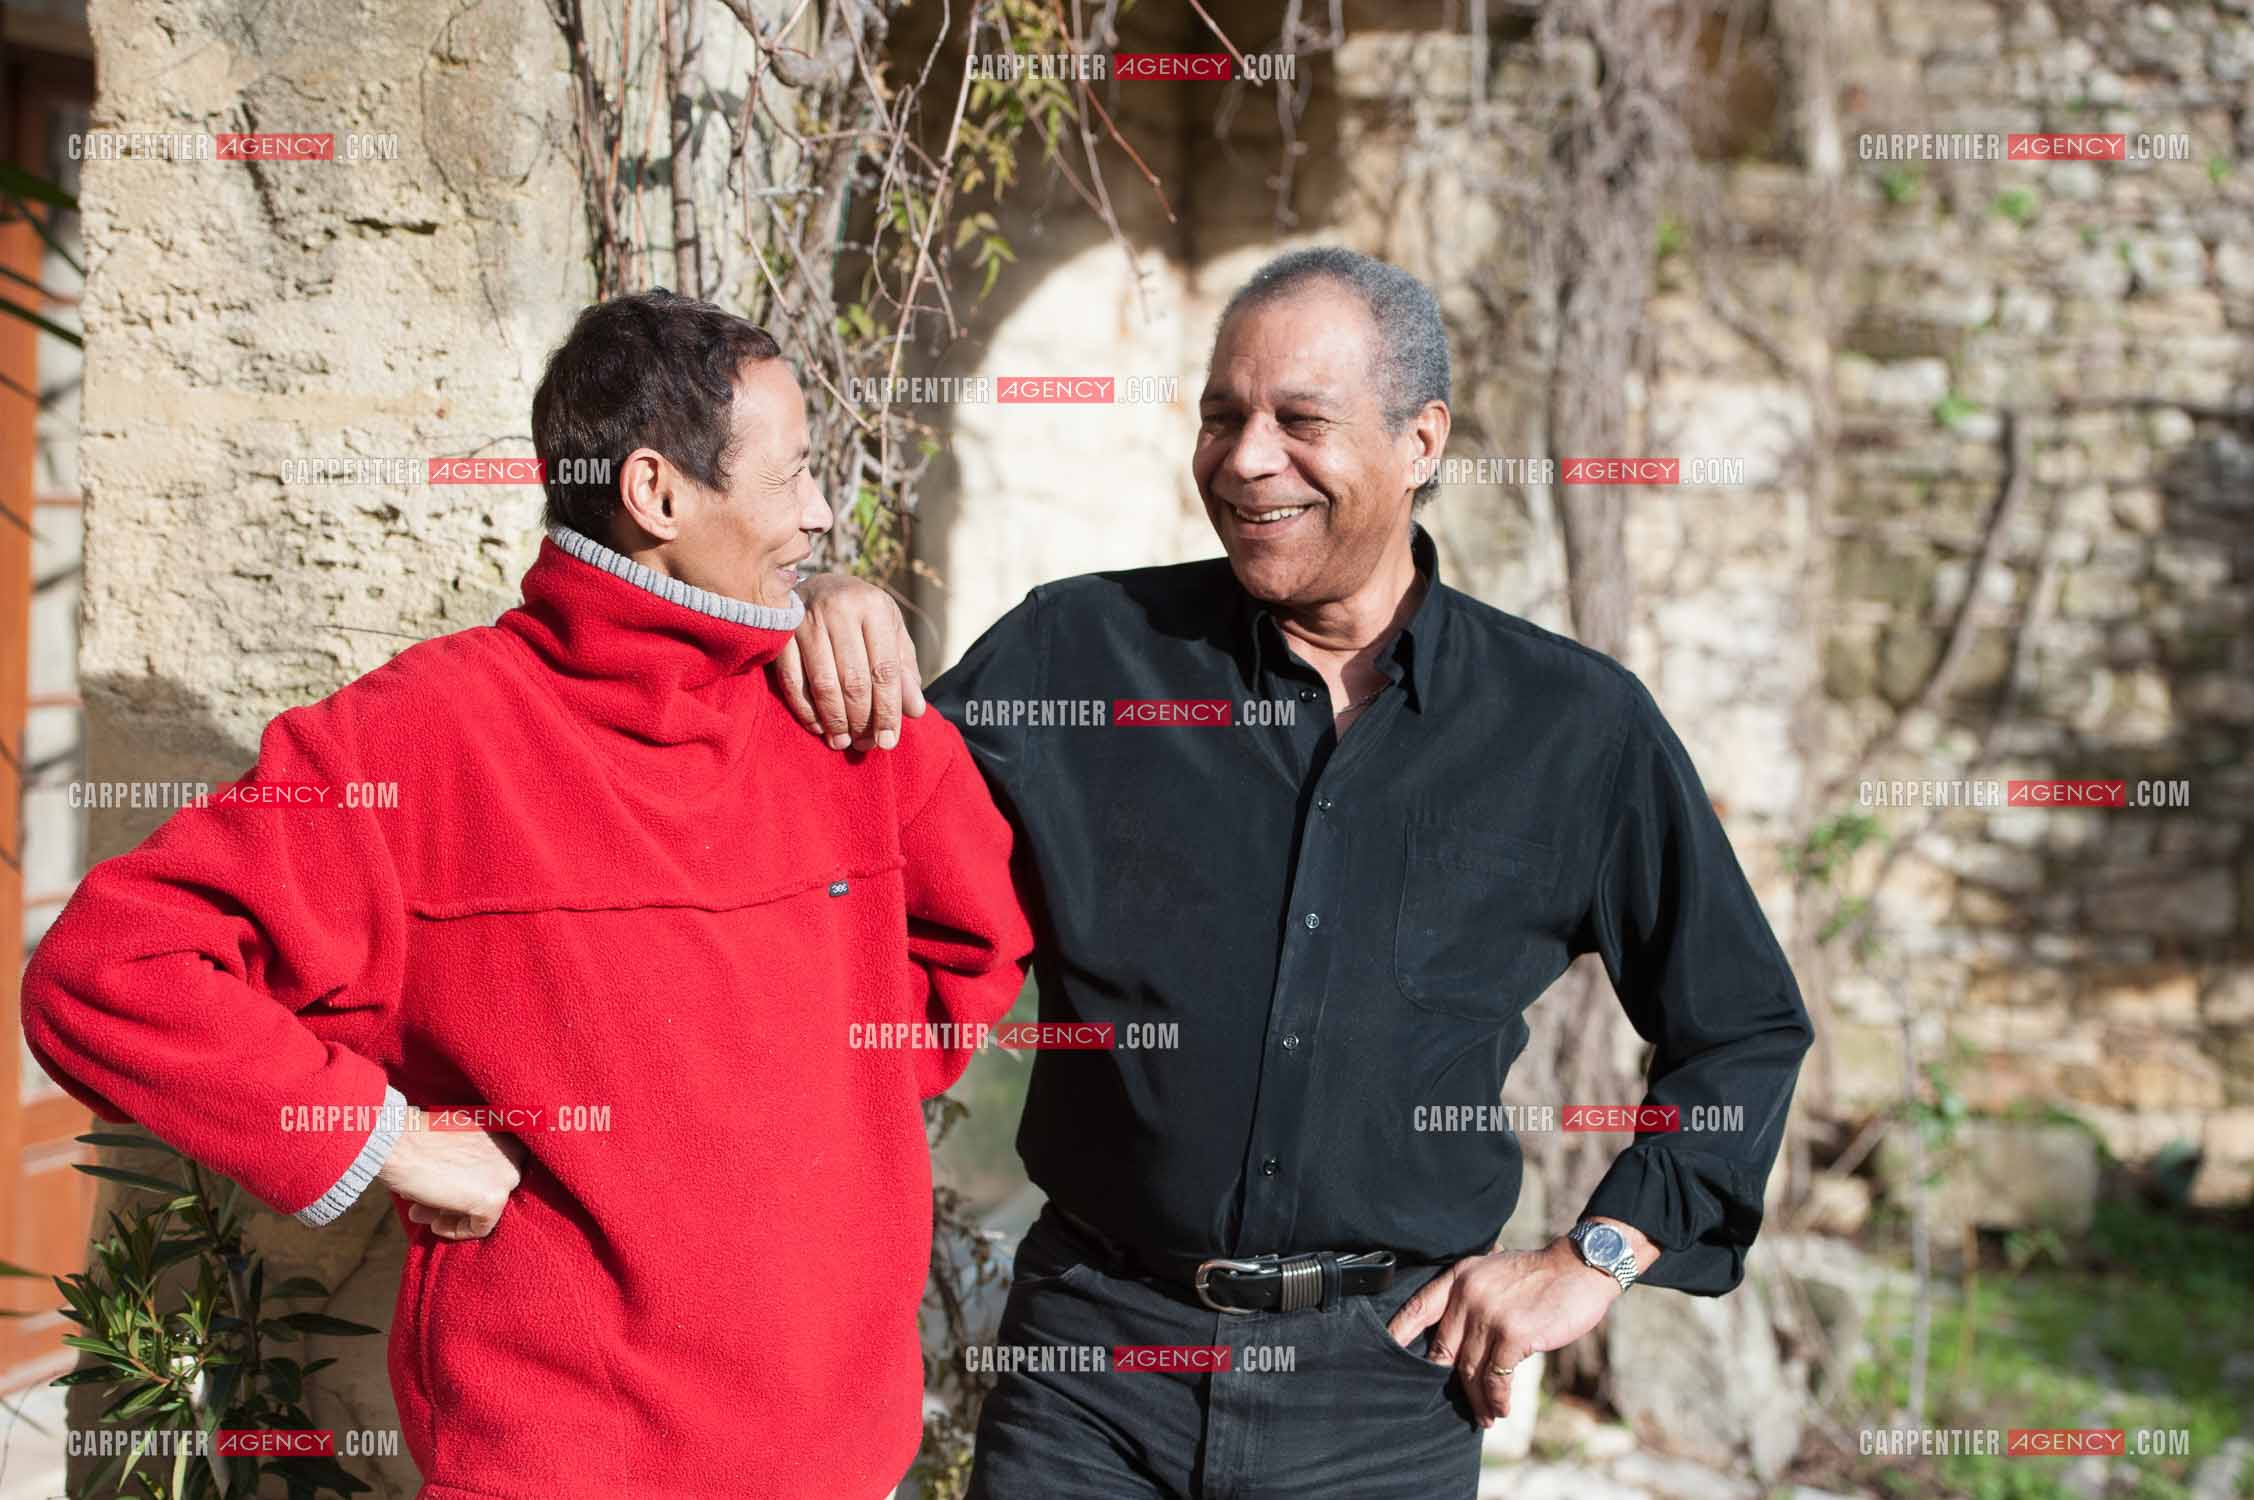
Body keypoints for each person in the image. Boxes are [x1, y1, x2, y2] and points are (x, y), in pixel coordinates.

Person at [776, 248, 1816, 1498]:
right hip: (1091, 1369)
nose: (1246, 457)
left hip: (1382, 1390)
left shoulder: (1571, 728)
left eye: (1300, 421)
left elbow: (1742, 1025)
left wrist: (1595, 1257)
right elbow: (823, 848)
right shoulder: (1078, 652)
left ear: (1421, 440)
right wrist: (817, 602)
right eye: (1222, 416)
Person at [23, 290, 1033, 1500]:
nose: (822, 514)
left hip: (842, 1466)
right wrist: (380, 1136)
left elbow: (974, 943)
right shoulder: (422, 740)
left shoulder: (842, 710)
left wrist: (812, 1110)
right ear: (657, 493)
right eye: (795, 477)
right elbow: (108, 972)